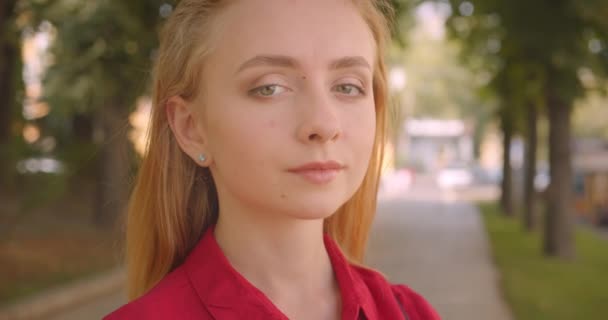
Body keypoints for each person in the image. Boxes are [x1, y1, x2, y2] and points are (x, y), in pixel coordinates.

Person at [104, 0, 440, 319]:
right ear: (191, 128)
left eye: (348, 87)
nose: (323, 124)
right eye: (269, 88)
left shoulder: (410, 313)